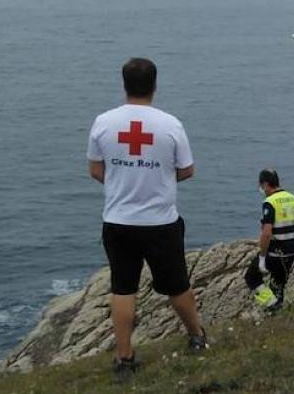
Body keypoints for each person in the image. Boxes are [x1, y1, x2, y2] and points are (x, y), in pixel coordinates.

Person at [86, 57, 209, 381]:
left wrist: (120, 184)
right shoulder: (170, 125)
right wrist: (159, 183)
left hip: (118, 220)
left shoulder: (103, 122)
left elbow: (96, 169)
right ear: (155, 85)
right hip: (160, 222)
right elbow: (187, 170)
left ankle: (124, 358)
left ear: (124, 84)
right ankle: (197, 335)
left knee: (123, 288)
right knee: (177, 285)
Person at [243, 168, 294, 311]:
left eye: (261, 186)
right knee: (278, 285)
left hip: (275, 252)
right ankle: (276, 313)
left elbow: (266, 233)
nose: (261, 189)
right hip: (290, 252)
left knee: (251, 277)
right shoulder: (293, 198)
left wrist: (262, 257)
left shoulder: (269, 202)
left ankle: (271, 305)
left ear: (265, 184)